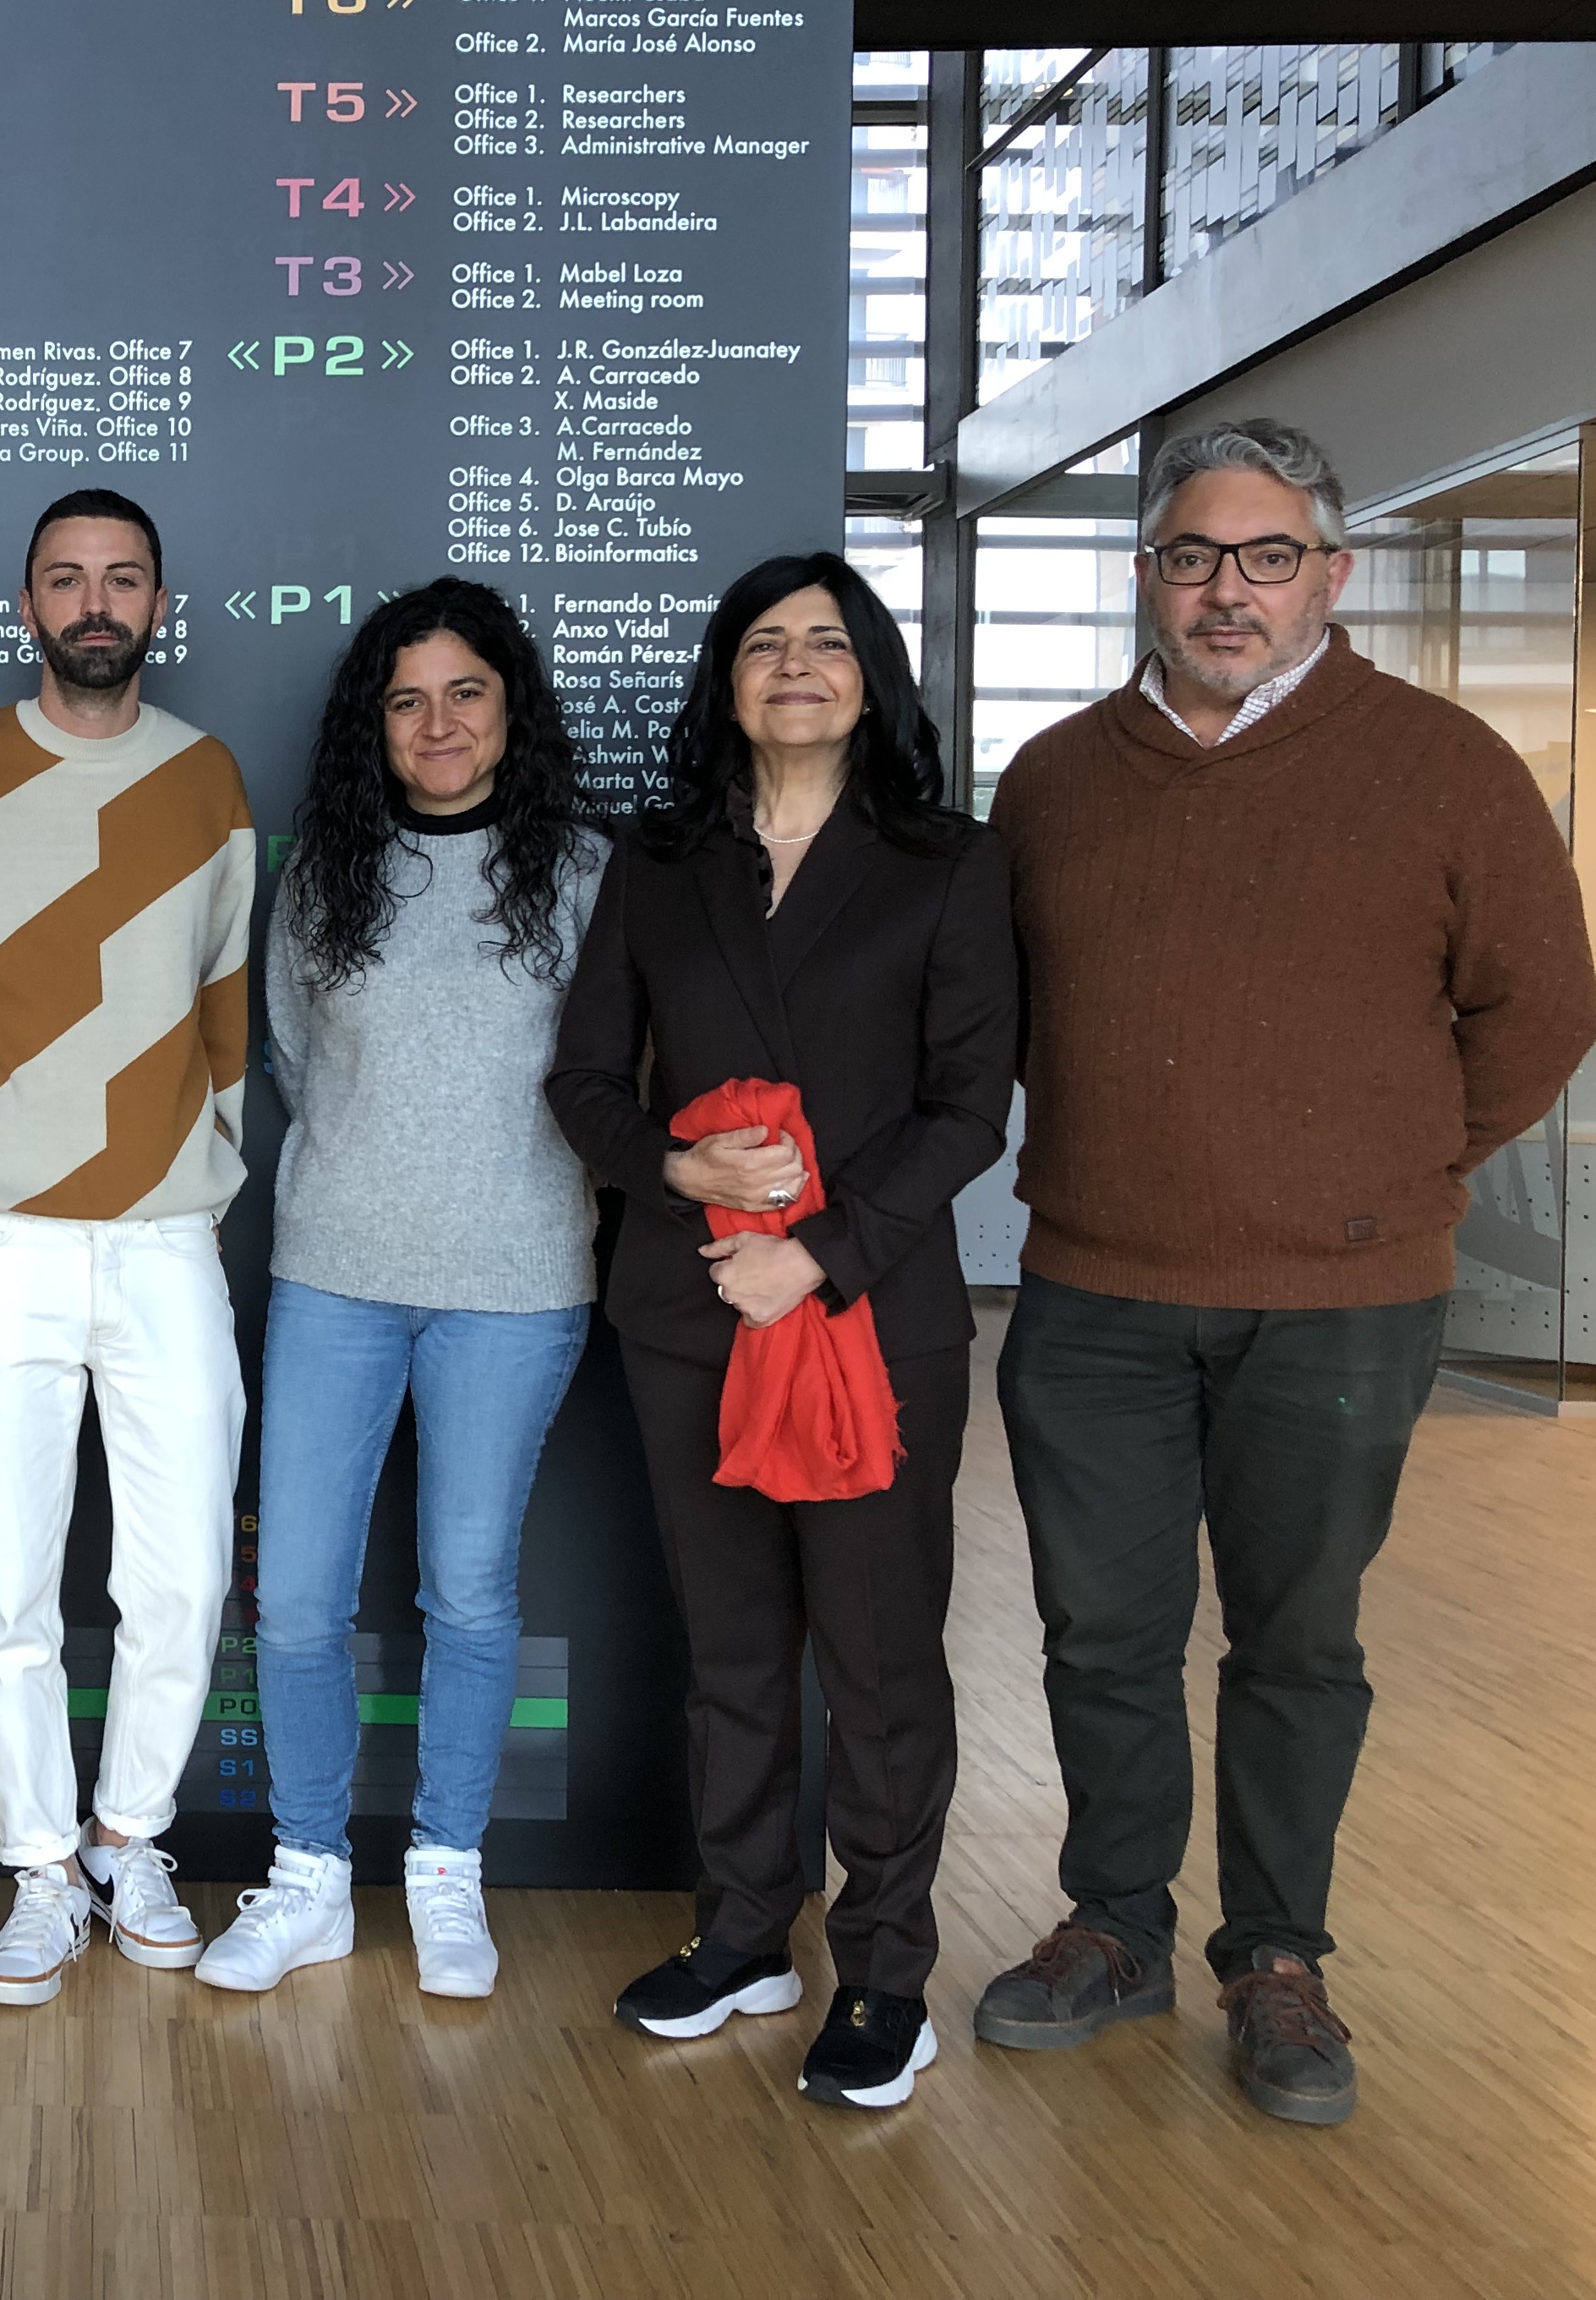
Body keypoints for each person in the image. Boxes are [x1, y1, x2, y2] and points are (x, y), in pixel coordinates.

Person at [977, 418, 1596, 2128]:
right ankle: (1116, 1928)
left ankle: (1277, 1960)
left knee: (1297, 1643)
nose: (1226, 591)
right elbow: (1004, 1014)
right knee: (1102, 1635)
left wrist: (1398, 1172)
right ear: (1147, 576)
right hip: (1094, 1291)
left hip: (1344, 1303)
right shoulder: (1055, 779)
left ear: (1333, 574)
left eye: (1266, 558)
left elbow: (1543, 1008)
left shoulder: (1444, 766)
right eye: (1193, 557)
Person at [548, 552, 1016, 2111]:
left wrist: (816, 1255)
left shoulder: (948, 862)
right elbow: (585, 1083)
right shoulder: (658, 861)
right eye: (765, 644)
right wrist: (677, 1172)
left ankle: (885, 1973)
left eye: (827, 642)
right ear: (728, 682)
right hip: (690, 1315)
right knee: (734, 1652)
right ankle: (744, 1934)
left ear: (871, 679)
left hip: (871, 1319)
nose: (795, 665)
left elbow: (970, 1108)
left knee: (877, 1663)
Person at [192, 579, 604, 2005]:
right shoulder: (325, 876)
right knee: (298, 1597)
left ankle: (445, 1869)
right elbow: (297, 1061)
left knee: (468, 1593)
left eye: (465, 693)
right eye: (407, 700)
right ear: (375, 724)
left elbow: (611, 1077)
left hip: (516, 1278)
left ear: (509, 708)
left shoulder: (585, 875)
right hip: (337, 1273)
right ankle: (309, 1873)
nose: (437, 724)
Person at [0, 486, 256, 2007]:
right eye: (66, 578)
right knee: (8, 1586)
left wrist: (187, 1173)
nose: (95, 602)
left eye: (122, 578)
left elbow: (227, 1002)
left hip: (167, 1238)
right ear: (28, 603)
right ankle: (40, 1867)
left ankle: (131, 1839)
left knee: (183, 1578)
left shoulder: (207, 778)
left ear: (158, 603)